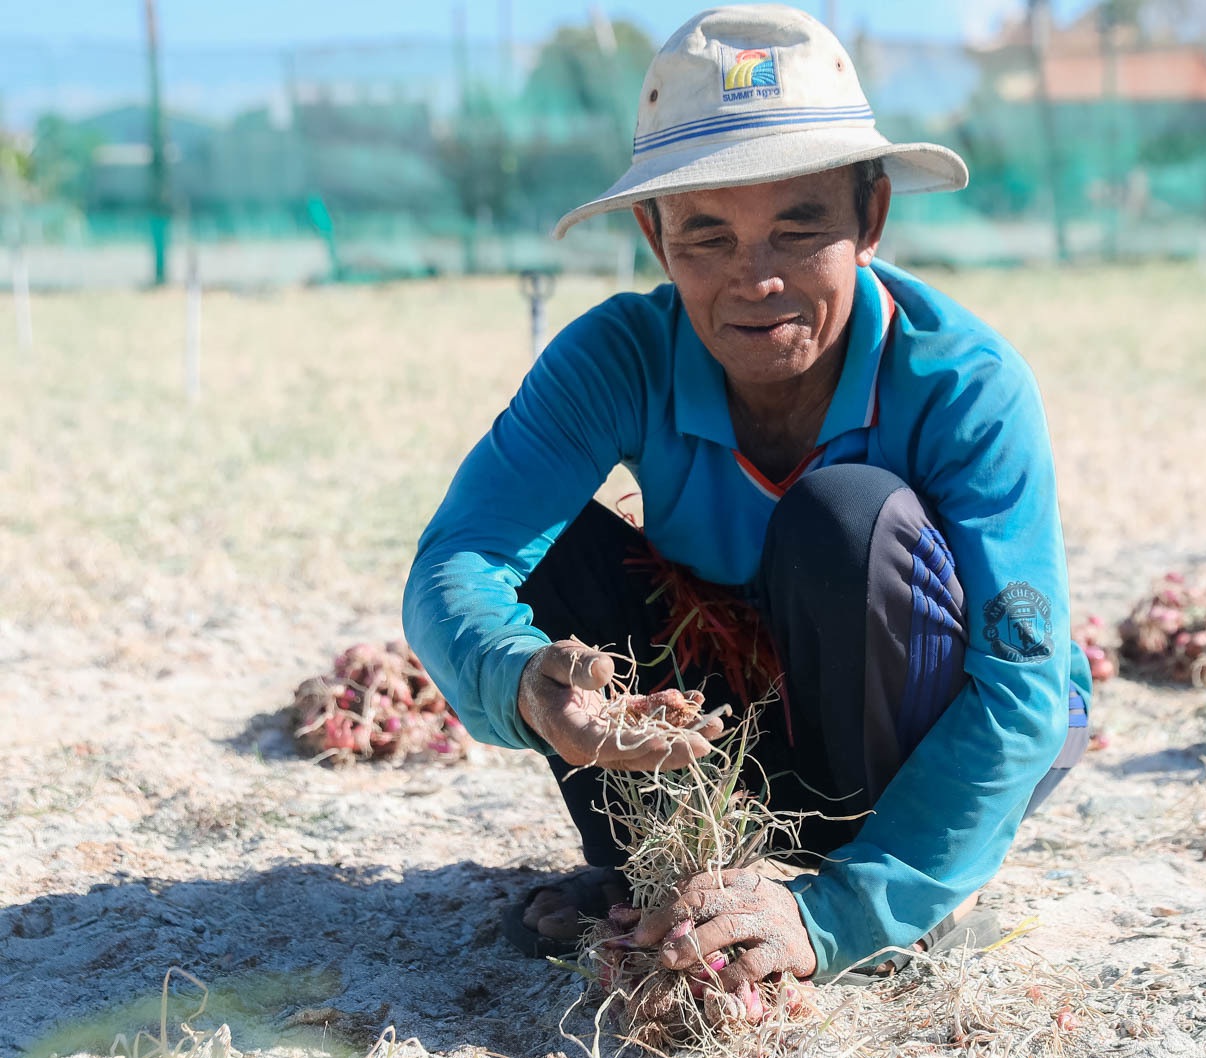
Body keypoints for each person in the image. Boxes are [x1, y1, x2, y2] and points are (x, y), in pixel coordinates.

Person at [403, 3, 1092, 992]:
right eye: (708, 236)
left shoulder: (964, 383)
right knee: (551, 548)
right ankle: (670, 863)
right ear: (653, 234)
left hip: (926, 721)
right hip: (749, 717)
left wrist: (847, 910)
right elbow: (459, 558)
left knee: (844, 518)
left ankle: (910, 874)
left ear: (872, 217)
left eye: (799, 227)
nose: (754, 280)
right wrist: (519, 680)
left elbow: (1019, 687)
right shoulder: (617, 360)